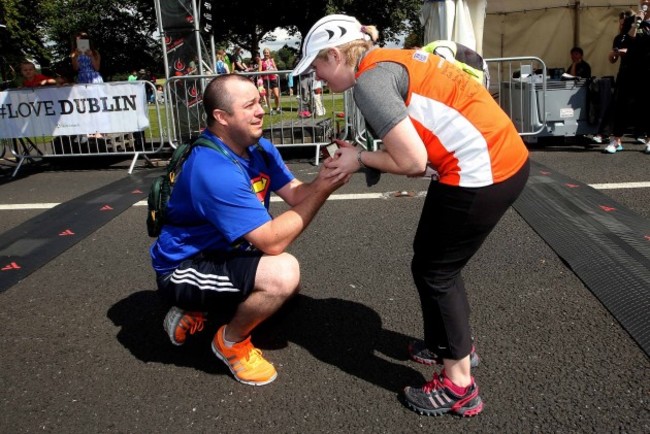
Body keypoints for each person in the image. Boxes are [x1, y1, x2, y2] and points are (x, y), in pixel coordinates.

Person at [293, 14, 530, 417]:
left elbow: (413, 160)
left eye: (316, 65)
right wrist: (362, 155)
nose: (316, 77)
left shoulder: (370, 81)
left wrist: (356, 159)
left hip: (481, 170)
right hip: (492, 161)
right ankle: (450, 345)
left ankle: (460, 385)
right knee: (430, 261)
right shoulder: (385, 59)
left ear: (335, 54)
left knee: (437, 272)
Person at [150, 74, 349, 386]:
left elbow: (297, 194)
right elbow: (271, 241)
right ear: (222, 117)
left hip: (223, 250)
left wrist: (327, 174)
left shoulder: (260, 148)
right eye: (250, 105)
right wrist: (324, 189)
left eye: (260, 101)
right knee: (282, 275)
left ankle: (200, 306)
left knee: (284, 288)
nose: (262, 110)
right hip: (183, 266)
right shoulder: (213, 170)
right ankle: (228, 342)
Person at [604, 7, 650, 154]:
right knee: (621, 106)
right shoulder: (632, 21)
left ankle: (649, 140)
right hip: (628, 71)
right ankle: (616, 140)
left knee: (645, 106)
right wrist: (636, 22)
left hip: (646, 70)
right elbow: (628, 39)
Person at [259, 48, 281, 114]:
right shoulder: (261, 61)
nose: (266, 54)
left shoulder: (272, 60)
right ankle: (271, 109)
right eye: (265, 52)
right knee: (268, 95)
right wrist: (266, 71)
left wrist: (274, 71)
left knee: (277, 95)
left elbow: (276, 68)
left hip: (273, 78)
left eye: (267, 52)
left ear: (269, 53)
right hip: (266, 79)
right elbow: (259, 71)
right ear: (263, 53)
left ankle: (277, 108)